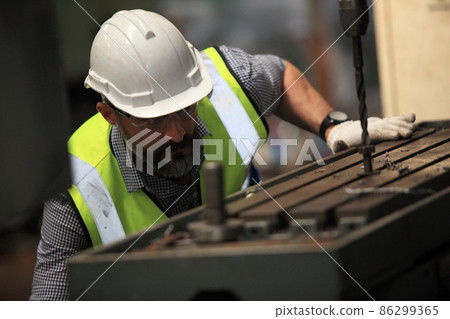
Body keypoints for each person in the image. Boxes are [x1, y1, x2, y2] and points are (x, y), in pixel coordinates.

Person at [30, 9, 415, 300]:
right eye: (156, 121)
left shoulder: (226, 82)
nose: (180, 132)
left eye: (186, 109)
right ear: (110, 114)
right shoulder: (74, 188)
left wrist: (333, 125)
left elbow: (279, 74)